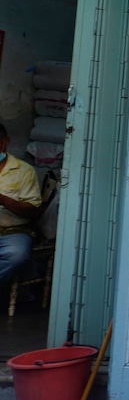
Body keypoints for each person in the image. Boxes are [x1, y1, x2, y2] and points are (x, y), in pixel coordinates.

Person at [0, 123, 42, 288]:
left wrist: (3, 200)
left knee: (16, 255)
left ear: (5, 141)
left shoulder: (24, 171)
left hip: (14, 232)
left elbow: (32, 209)